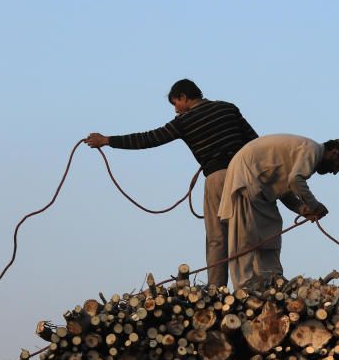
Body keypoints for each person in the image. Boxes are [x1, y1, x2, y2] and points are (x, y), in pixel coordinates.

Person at [85, 79, 258, 288]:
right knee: (248, 233)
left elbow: (148, 139)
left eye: (176, 103)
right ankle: (252, 285)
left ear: (184, 97)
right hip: (245, 177)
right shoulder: (228, 108)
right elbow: (254, 143)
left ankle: (216, 288)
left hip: (217, 178)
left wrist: (108, 140)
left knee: (217, 237)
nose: (176, 110)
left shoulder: (184, 122)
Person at [218, 134, 339, 289]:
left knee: (272, 227)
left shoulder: (308, 153)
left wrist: (302, 209)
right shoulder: (312, 150)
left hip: (260, 184)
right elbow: (295, 180)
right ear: (334, 153)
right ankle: (243, 289)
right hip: (247, 176)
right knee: (245, 237)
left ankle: (271, 281)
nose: (335, 172)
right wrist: (314, 205)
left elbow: (285, 188)